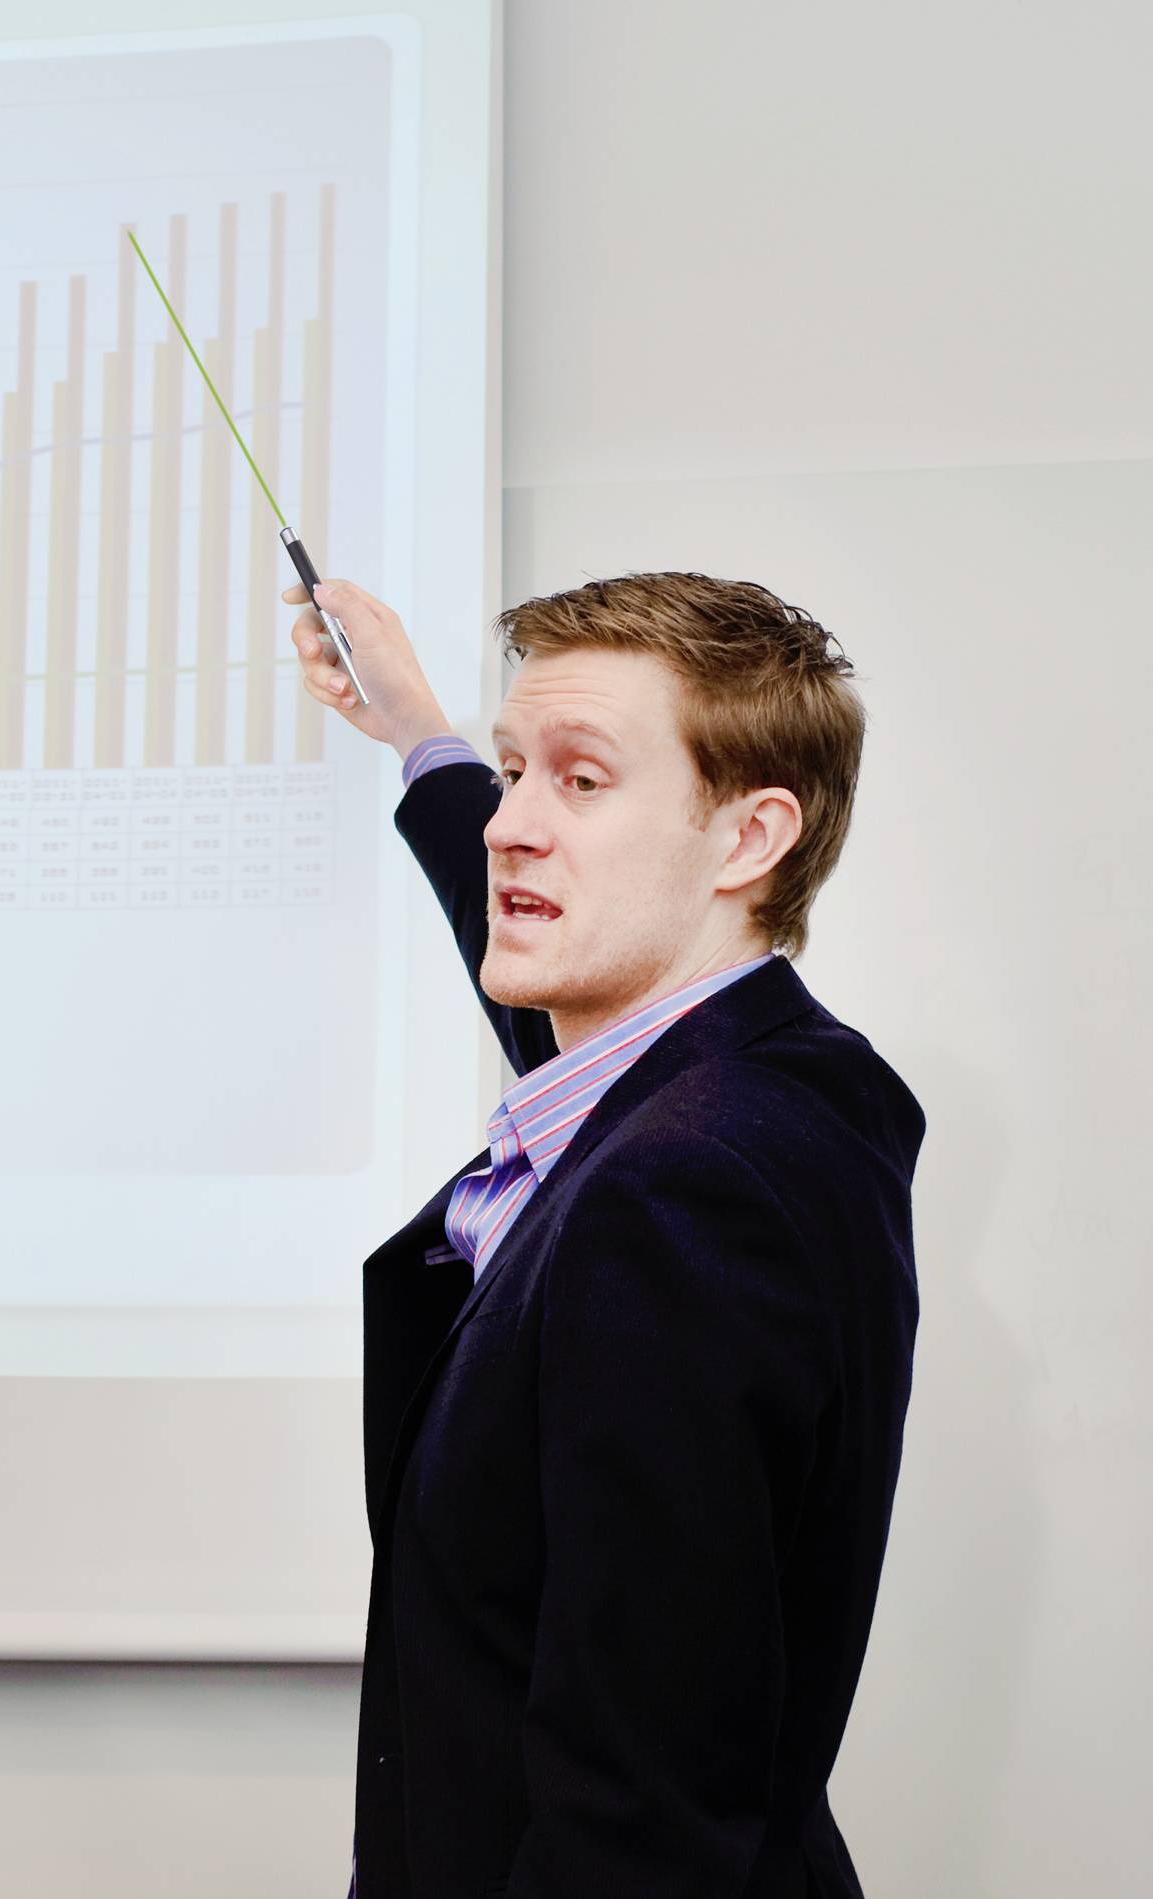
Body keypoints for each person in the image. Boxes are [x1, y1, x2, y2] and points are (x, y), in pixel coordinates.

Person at [281, 572, 921, 1898]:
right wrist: (421, 735)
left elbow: (640, 1812)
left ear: (748, 840)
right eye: (513, 776)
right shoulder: (769, 1082)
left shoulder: (680, 1191)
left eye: (580, 784)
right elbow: (545, 955)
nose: (510, 829)